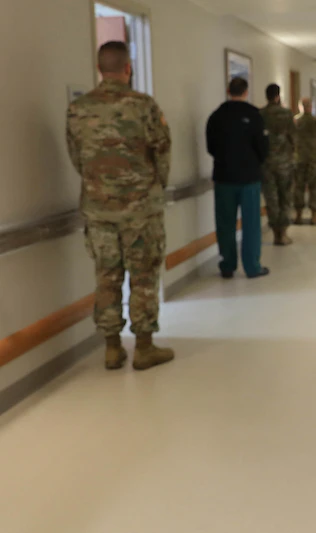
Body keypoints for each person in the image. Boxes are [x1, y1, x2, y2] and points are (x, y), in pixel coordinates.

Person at [66, 41, 174, 371]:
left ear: (100, 69)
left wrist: (99, 186)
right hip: (141, 210)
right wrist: (155, 187)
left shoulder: (78, 108)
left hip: (98, 209)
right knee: (143, 276)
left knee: (106, 276)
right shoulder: (144, 106)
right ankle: (144, 347)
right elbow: (162, 152)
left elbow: (77, 157)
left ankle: (112, 348)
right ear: (128, 68)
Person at [206, 77, 270, 279]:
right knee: (251, 223)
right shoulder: (254, 115)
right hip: (249, 177)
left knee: (225, 223)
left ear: (228, 91)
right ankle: (252, 266)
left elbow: (211, 147)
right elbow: (263, 148)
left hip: (224, 177)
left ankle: (227, 265)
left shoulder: (216, 116)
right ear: (246, 92)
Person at [260, 83, 296, 246]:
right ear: (278, 96)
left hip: (266, 164)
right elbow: (293, 137)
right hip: (284, 163)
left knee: (271, 199)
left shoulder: (260, 114)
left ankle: (275, 233)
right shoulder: (287, 114)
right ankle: (283, 233)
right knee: (285, 197)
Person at [294, 98, 316, 225]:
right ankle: (314, 216)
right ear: (311, 107)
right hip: (314, 159)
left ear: (300, 107)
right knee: (314, 187)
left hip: (299, 158)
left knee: (299, 187)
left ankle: (298, 216)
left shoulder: (295, 121)